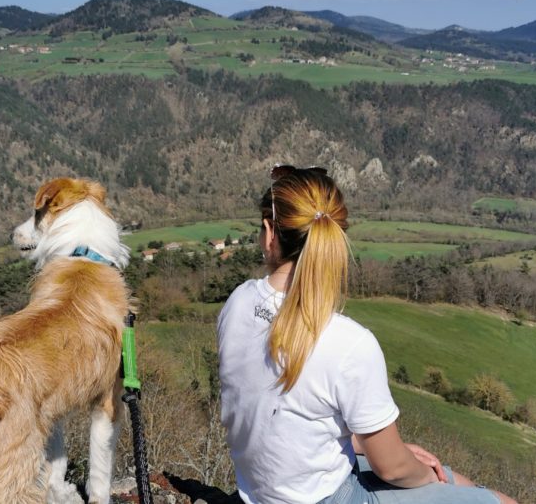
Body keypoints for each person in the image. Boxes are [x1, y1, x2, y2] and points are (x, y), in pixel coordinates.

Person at [216, 165, 517, 504]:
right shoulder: (347, 343)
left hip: (264, 491)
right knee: (497, 499)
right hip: (332, 497)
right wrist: (420, 472)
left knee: (447, 476)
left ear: (270, 234)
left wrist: (391, 453)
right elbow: (392, 470)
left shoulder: (237, 302)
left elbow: (281, 421)